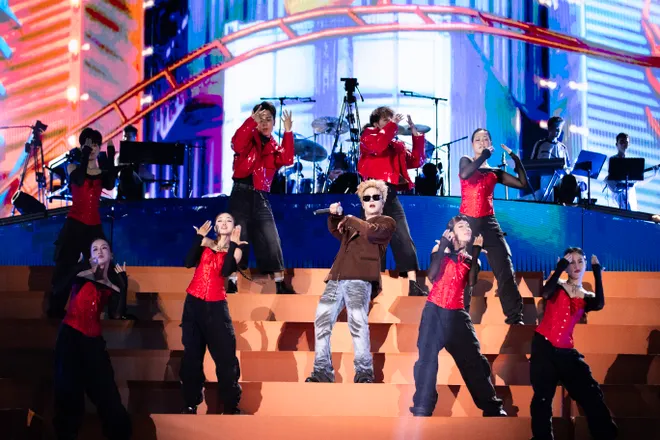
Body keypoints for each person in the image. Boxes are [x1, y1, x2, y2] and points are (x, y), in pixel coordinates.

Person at [410, 214, 506, 417]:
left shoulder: (470, 259)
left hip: (457, 315)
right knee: (426, 360)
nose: (467, 229)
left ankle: (491, 406)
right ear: (451, 233)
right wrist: (444, 246)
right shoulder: (440, 250)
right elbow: (431, 276)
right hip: (435, 311)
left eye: (468, 227)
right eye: (462, 226)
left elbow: (471, 282)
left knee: (474, 361)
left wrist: (476, 252)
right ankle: (423, 406)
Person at [305, 180, 396, 384]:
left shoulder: (386, 223)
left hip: (360, 279)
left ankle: (364, 372)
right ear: (362, 203)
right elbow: (336, 230)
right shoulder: (355, 225)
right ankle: (322, 371)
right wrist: (335, 216)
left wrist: (350, 219)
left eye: (376, 197)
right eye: (366, 198)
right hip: (336, 279)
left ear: (382, 202)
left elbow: (371, 232)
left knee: (357, 321)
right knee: (321, 321)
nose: (371, 200)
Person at [530, 248, 617, 440]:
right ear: (565, 266)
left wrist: (597, 273)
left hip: (566, 352)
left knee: (591, 393)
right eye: (571, 262)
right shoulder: (557, 285)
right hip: (544, 346)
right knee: (542, 398)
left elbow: (599, 304)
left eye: (580, 261)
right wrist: (559, 267)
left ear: (585, 264)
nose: (576, 266)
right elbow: (545, 293)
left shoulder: (586, 296)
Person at [52, 238, 131, 440]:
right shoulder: (81, 275)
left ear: (111, 255)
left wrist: (123, 287)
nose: (100, 251)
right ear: (90, 256)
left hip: (93, 342)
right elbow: (59, 288)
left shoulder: (111, 285)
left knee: (109, 398)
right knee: (68, 395)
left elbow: (116, 314)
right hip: (70, 338)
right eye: (95, 249)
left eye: (104, 248)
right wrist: (80, 265)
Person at [459, 129, 529, 324]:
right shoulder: (466, 161)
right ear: (472, 144)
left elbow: (522, 183)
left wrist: (516, 158)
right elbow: (465, 174)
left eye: (485, 139)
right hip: (467, 223)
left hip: (489, 222)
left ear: (490, 143)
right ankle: (459, 317)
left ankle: (515, 317)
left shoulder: (495, 172)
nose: (482, 142)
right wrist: (484, 156)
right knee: (464, 269)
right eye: (478, 140)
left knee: (505, 267)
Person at [48, 128, 119, 319]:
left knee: (104, 264)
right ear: (82, 147)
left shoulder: (101, 172)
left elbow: (110, 183)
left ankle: (109, 310)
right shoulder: (73, 167)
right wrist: (84, 154)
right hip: (74, 225)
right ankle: (55, 310)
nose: (93, 148)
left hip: (93, 226)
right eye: (89, 144)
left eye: (96, 144)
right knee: (65, 268)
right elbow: (79, 180)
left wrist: (110, 156)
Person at [358, 106, 427, 296]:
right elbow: (378, 146)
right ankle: (371, 284)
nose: (391, 123)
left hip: (390, 192)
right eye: (385, 120)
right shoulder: (368, 136)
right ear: (375, 123)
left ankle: (413, 285)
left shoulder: (397, 146)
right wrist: (393, 125)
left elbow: (416, 161)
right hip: (372, 191)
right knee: (373, 239)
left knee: (403, 236)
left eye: (392, 120)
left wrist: (415, 134)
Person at [180, 213, 245, 415]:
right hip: (193, 304)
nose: (224, 223)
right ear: (215, 226)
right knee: (191, 357)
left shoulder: (237, 249)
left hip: (216, 307)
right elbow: (188, 262)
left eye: (228, 220)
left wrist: (232, 245)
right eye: (220, 221)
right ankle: (190, 403)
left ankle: (230, 405)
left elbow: (225, 271)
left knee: (226, 358)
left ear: (234, 227)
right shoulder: (205, 243)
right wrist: (198, 238)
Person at [228, 101, 295, 294]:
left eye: (268, 119)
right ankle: (231, 281)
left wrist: (288, 132)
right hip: (240, 192)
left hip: (261, 195)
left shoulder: (274, 146)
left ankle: (280, 284)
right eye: (260, 119)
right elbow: (237, 143)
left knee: (271, 238)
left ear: (274, 123)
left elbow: (287, 159)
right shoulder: (246, 139)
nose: (264, 123)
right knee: (238, 237)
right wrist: (251, 121)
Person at [604, 132, 658, 211]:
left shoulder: (632, 164)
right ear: (617, 144)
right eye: (621, 142)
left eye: (626, 142)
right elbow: (612, 179)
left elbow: (639, 182)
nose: (624, 144)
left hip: (630, 197)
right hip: (620, 198)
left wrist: (654, 174)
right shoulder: (613, 160)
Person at [529, 116, 571, 201]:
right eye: (557, 128)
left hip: (559, 183)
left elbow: (568, 168)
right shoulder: (540, 144)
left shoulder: (563, 148)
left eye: (560, 128)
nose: (559, 131)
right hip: (544, 182)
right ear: (550, 129)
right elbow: (532, 164)